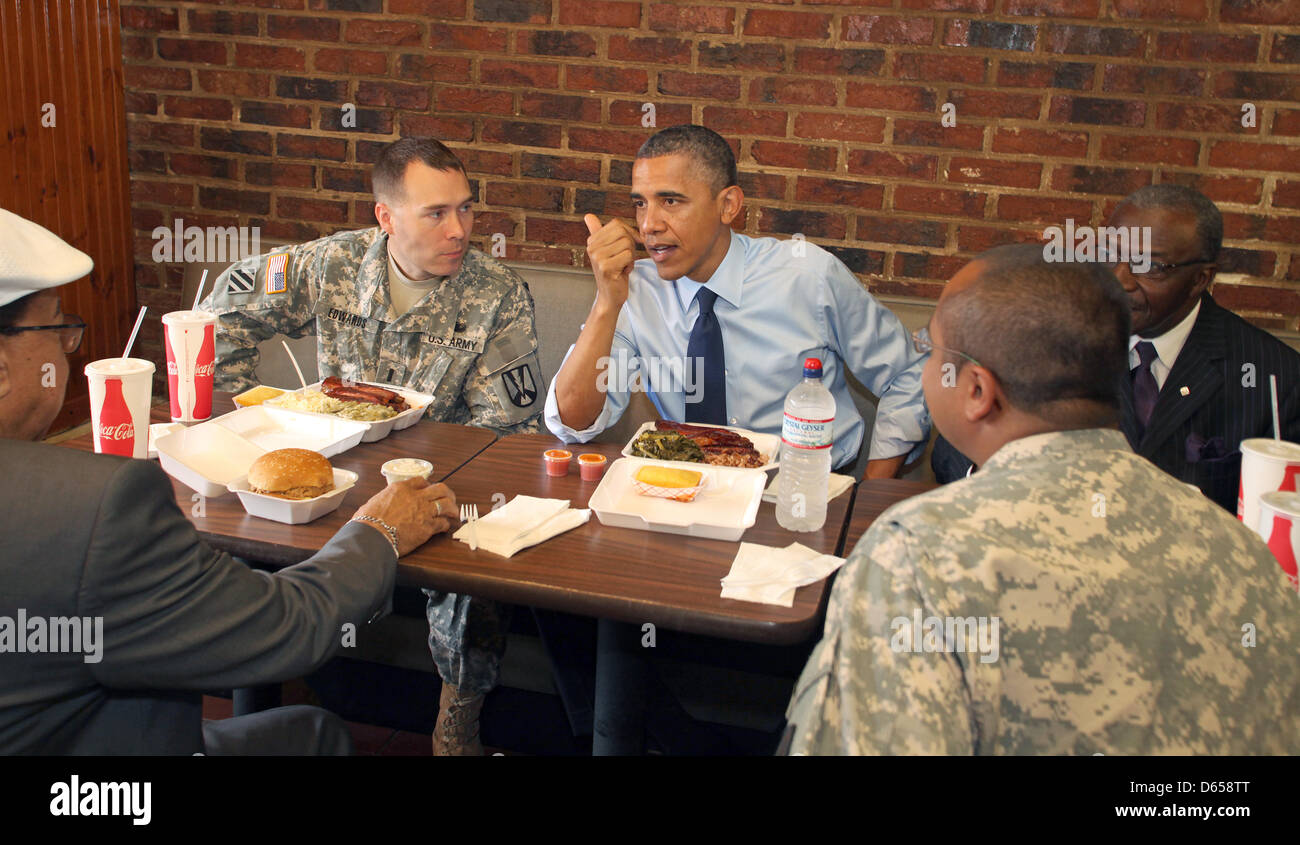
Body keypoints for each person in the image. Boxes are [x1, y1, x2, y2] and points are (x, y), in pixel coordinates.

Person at [785, 244, 1300, 755]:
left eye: (932, 350)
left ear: (977, 391)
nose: (923, 365)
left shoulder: (920, 557)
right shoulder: (1241, 550)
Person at [0, 208, 456, 754]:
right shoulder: (96, 505)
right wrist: (379, 530)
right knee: (316, 733)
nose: (65, 349)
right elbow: (286, 627)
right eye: (57, 327)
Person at [201, 137, 543, 755]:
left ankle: (456, 716)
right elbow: (223, 311)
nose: (459, 229)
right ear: (385, 216)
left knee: (479, 557)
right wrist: (257, 416)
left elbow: (509, 434)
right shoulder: (331, 265)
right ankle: (270, 689)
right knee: (229, 516)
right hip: (332, 472)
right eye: (435, 213)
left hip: (446, 483)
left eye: (466, 209)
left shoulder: (498, 293)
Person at [546, 124, 929, 478]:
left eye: (670, 201)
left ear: (728, 205)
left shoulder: (807, 277)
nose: (649, 225)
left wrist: (870, 498)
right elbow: (573, 423)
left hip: (800, 492)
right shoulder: (636, 289)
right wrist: (606, 304)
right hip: (685, 488)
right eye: (641, 204)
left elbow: (907, 377)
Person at [931, 185, 1300, 517]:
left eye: (1149, 266)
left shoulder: (1274, 377)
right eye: (1109, 254)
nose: (1120, 279)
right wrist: (991, 472)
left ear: (1201, 279)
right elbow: (953, 450)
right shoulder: (1048, 332)